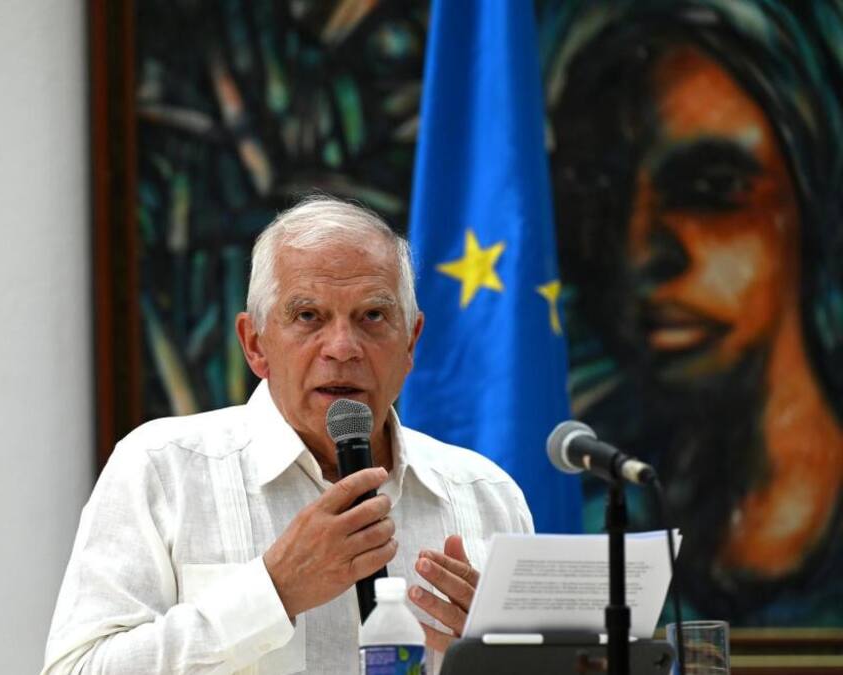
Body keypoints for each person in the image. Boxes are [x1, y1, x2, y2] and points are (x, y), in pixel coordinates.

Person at [41, 197, 533, 673]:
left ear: (410, 343)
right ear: (255, 344)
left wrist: (506, 666)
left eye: (372, 317)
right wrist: (273, 591)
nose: (342, 348)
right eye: (308, 316)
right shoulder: (162, 469)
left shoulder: (486, 494)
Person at [541, 0, 843, 623]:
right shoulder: (583, 505)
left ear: (812, 206)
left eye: (710, 190)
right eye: (603, 195)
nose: (639, 252)